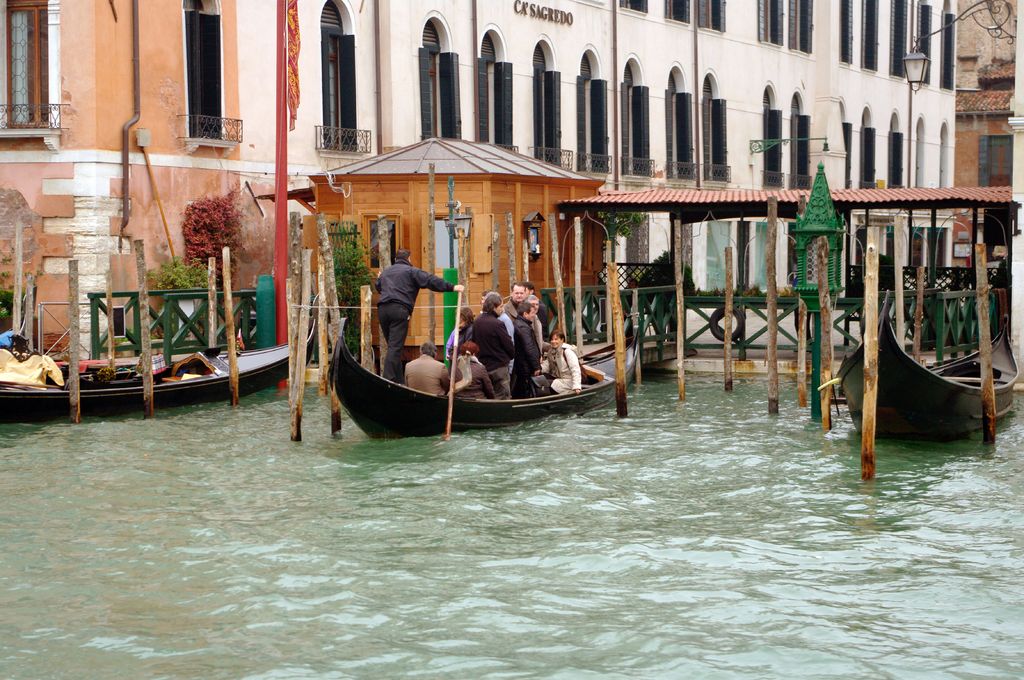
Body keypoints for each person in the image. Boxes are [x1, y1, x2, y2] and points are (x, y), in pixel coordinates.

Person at [376, 248, 464, 383]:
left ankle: (398, 382)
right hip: (399, 310)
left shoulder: (386, 272)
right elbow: (430, 281)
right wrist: (452, 287)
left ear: (395, 259)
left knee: (394, 347)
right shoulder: (411, 271)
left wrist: (379, 278)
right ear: (408, 259)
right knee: (395, 347)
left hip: (382, 310)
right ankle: (387, 381)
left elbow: (379, 286)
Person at [472, 292, 515, 399]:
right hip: (499, 367)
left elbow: (474, 342)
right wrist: (509, 357)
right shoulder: (498, 324)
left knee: (488, 397)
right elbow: (509, 345)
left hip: (483, 366)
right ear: (494, 307)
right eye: (500, 307)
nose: (502, 309)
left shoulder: (477, 322)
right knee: (503, 398)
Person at [511, 300, 542, 398]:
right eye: (532, 313)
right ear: (525, 314)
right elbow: (529, 348)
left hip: (522, 364)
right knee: (525, 389)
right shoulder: (523, 327)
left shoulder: (519, 324)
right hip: (525, 366)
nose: (534, 315)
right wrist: (536, 366)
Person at [542, 329, 582, 395]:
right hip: (559, 378)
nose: (553, 341)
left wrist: (576, 386)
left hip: (569, 381)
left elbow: (575, 369)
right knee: (541, 378)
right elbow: (546, 366)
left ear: (562, 340)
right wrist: (536, 369)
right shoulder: (551, 352)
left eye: (556, 339)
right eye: (552, 339)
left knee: (546, 384)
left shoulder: (567, 352)